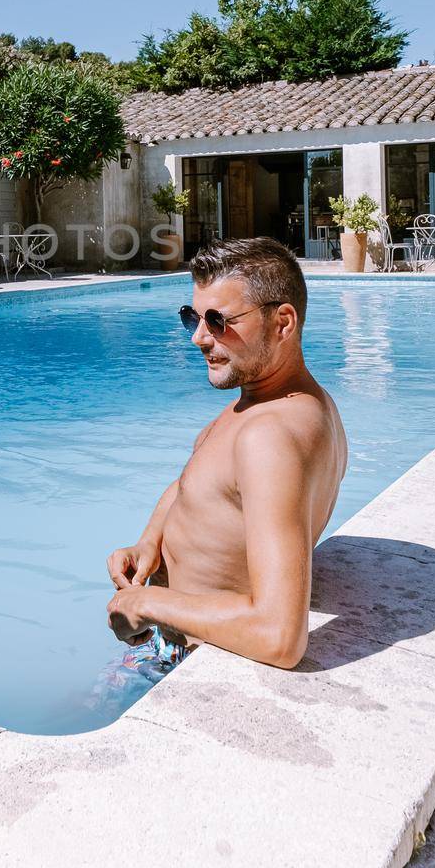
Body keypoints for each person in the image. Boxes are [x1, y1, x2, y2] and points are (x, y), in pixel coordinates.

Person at [105, 237, 347, 670]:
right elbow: (194, 483)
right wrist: (149, 543)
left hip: (189, 654)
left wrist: (148, 604)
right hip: (176, 634)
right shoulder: (276, 403)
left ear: (283, 323)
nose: (199, 337)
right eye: (192, 317)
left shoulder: (270, 437)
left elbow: (280, 637)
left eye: (218, 320)